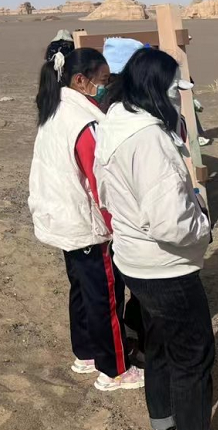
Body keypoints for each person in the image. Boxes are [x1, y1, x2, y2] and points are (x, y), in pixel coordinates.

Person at [95, 48, 218, 430]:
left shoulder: (116, 121)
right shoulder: (149, 139)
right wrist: (202, 228)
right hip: (165, 266)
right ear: (156, 86)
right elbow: (170, 222)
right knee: (193, 354)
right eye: (175, 88)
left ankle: (165, 426)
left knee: (156, 344)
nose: (179, 97)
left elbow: (106, 194)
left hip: (135, 259)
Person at [28, 44, 144, 391]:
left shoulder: (55, 109)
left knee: (82, 290)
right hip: (86, 225)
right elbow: (100, 179)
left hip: (62, 219)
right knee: (105, 296)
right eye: (103, 80)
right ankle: (115, 369)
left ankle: (86, 353)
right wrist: (115, 224)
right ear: (81, 80)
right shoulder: (85, 121)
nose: (106, 86)